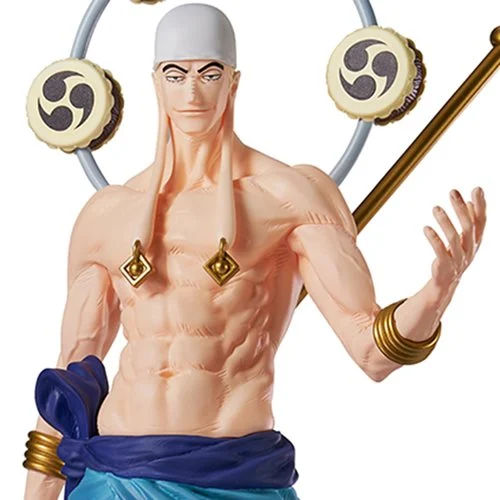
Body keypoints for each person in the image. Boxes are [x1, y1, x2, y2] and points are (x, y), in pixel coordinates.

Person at [23, 3, 487, 499]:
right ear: (156, 83)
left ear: (234, 82)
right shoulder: (106, 216)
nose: (192, 92)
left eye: (209, 73)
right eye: (176, 75)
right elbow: (68, 387)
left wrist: (437, 293)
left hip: (234, 479)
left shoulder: (290, 198)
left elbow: (372, 353)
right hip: (114, 478)